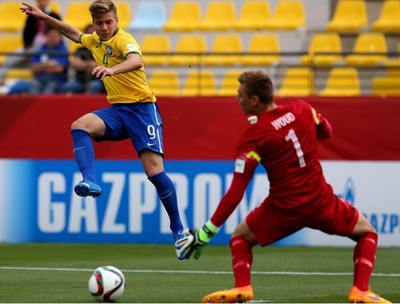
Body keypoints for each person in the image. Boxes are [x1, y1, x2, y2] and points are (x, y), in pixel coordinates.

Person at [185, 71, 391, 303]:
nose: (236, 99)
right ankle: (360, 291)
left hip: (283, 209)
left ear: (254, 100)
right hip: (321, 202)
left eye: (240, 94)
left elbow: (236, 191)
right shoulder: (302, 109)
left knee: (240, 239)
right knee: (367, 233)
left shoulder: (253, 137)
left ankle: (242, 286)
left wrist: (207, 231)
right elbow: (327, 132)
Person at [20, 0, 193, 260]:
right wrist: (43, 16)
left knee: (154, 172)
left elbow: (136, 61)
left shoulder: (124, 40)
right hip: (118, 111)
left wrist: (111, 70)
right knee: (79, 126)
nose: (104, 27)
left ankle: (179, 231)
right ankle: (90, 180)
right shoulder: (94, 42)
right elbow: (70, 31)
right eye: (99, 23)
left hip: (143, 110)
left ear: (117, 20)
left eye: (108, 22)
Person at [0, 0, 61, 85]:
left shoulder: (54, 16)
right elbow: (26, 34)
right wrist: (28, 46)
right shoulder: (31, 16)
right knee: (12, 57)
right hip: (33, 47)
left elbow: (60, 33)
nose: (43, 2)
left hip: (48, 48)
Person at [61, 24, 106, 94]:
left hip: (97, 80)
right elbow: (75, 64)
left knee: (94, 86)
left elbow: (104, 65)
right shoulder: (80, 50)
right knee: (67, 86)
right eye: (89, 34)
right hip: (80, 80)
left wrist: (84, 65)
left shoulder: (103, 49)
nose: (91, 37)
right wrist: (91, 65)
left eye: (93, 34)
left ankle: (91, 105)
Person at [29, 26, 69, 94]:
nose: (52, 38)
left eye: (55, 36)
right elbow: (33, 69)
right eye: (50, 36)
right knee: (34, 85)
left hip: (56, 80)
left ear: (59, 38)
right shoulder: (40, 49)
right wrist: (49, 64)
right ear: (46, 37)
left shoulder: (63, 50)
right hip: (39, 79)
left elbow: (59, 69)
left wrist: (41, 66)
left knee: (50, 88)